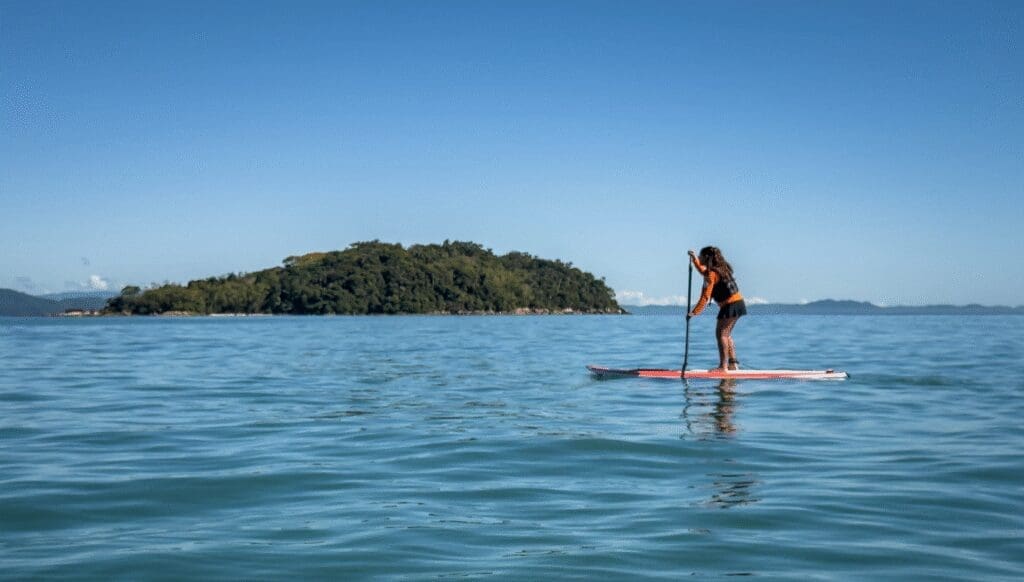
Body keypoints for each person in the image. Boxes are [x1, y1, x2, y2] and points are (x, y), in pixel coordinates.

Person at [688, 246, 747, 372]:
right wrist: (695, 261)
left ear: (707, 258)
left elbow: (705, 296)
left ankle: (723, 367)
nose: (699, 257)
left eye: (700, 256)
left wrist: (694, 312)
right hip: (738, 303)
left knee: (721, 334)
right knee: (726, 334)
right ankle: (733, 364)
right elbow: (704, 271)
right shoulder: (721, 269)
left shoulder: (711, 274)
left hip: (730, 305)